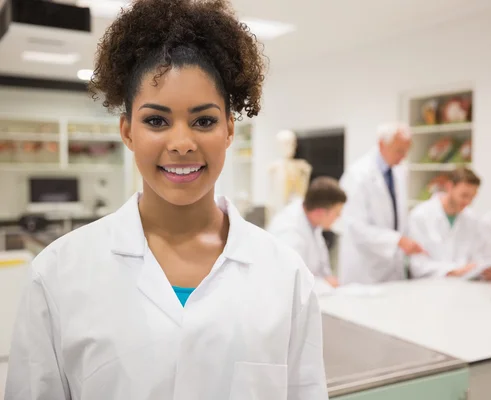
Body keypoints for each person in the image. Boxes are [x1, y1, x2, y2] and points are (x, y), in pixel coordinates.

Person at [5, 1, 328, 399]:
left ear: (229, 129)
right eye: (156, 120)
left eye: (204, 121)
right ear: (127, 131)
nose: (181, 143)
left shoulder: (286, 276)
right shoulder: (57, 274)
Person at [337, 122, 425, 285]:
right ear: (381, 144)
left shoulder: (399, 171)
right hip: (365, 267)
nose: (403, 156)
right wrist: (397, 240)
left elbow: (398, 216)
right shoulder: (357, 175)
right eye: (399, 150)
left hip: (391, 266)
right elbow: (355, 226)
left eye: (406, 151)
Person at [407, 167, 491, 281]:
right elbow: (417, 266)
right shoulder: (420, 216)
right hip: (429, 287)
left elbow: (478, 256)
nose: (468, 202)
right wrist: (453, 271)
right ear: (449, 187)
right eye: (464, 195)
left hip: (464, 288)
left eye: (472, 197)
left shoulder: (472, 219)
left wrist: (485, 270)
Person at [268, 176, 346, 288]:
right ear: (320, 212)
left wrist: (327, 282)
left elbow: (321, 270)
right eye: (337, 213)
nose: (339, 217)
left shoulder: (314, 224)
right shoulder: (289, 231)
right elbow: (292, 282)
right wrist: (325, 284)